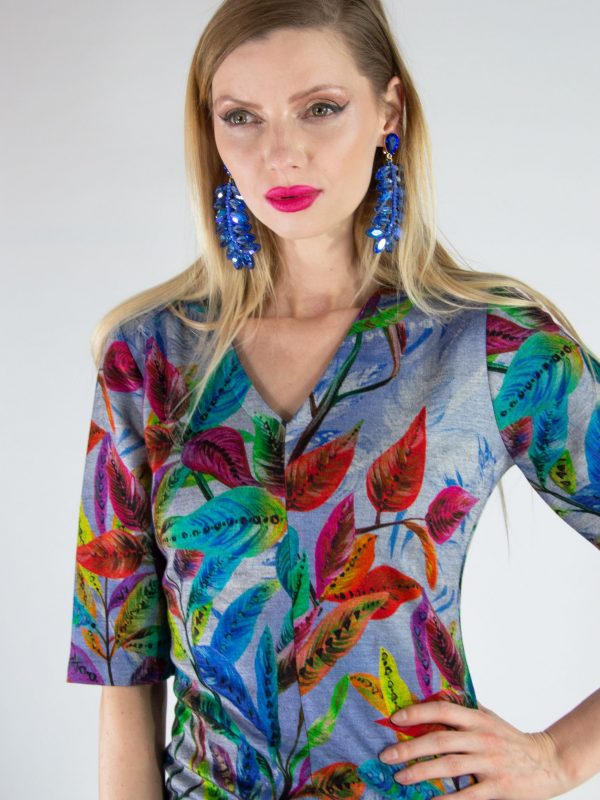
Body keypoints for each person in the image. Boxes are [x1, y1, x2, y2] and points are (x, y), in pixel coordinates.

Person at [65, 1, 600, 798]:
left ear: (390, 111)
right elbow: (123, 667)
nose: (280, 154)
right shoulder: (150, 358)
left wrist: (560, 756)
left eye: (319, 108)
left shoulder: (490, 345)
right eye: (241, 117)